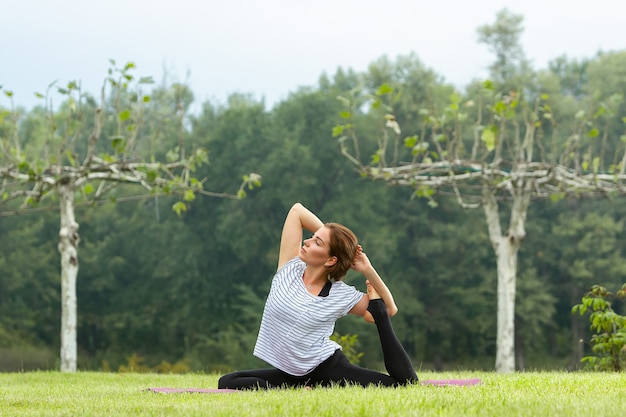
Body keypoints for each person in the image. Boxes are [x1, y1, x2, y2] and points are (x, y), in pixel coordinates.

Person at [218, 203, 418, 389]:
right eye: (312, 237)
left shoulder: (340, 294)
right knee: (227, 382)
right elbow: (297, 211)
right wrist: (337, 244)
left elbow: (389, 309)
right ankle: (300, 389)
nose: (307, 241)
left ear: (331, 260)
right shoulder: (290, 267)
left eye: (316, 242)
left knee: (403, 383)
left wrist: (368, 270)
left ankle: (308, 387)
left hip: (329, 369)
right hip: (292, 373)